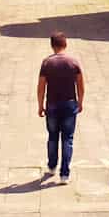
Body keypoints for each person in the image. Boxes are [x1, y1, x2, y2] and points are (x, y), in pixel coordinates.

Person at [36, 31, 85, 183]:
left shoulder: (47, 63)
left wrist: (40, 105)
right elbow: (81, 85)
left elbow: (41, 87)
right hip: (70, 104)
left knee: (52, 137)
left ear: (52, 46)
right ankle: (64, 174)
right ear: (65, 44)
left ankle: (52, 166)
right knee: (67, 139)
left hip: (52, 105)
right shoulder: (73, 62)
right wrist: (80, 102)